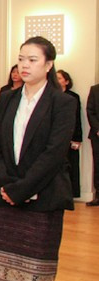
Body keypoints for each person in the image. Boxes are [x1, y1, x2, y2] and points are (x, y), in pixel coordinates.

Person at [0, 36, 76, 281]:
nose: (24, 64)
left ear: (49, 65)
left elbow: (54, 153)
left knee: (35, 265)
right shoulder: (7, 98)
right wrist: (7, 184)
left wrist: (23, 189)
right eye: (22, 58)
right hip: (7, 194)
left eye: (33, 59)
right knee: (4, 261)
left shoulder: (63, 102)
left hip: (42, 198)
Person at [56, 70, 83, 198]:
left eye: (60, 78)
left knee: (70, 165)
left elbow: (77, 118)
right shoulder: (51, 95)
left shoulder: (73, 97)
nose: (57, 80)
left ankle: (70, 194)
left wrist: (77, 139)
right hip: (55, 136)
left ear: (66, 81)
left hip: (70, 136)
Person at [89, 84, 99, 206]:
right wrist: (97, 129)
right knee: (97, 164)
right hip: (97, 135)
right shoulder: (95, 89)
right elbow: (90, 110)